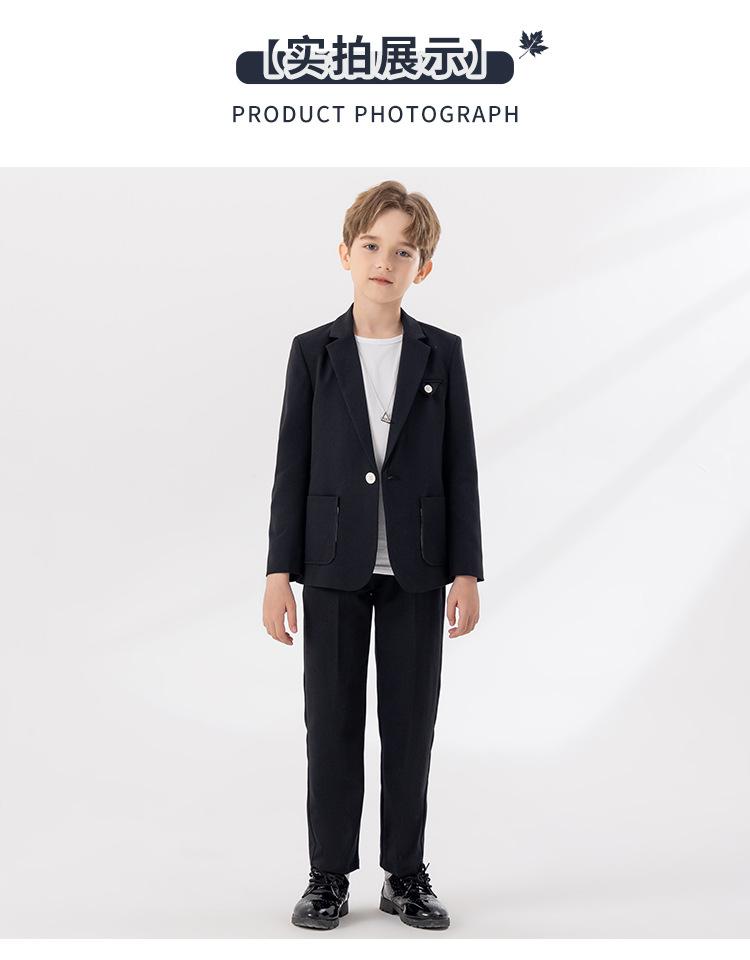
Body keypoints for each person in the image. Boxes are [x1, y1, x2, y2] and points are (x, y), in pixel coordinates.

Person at [262, 180, 484, 931]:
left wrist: (466, 570)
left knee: (410, 728)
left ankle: (405, 875)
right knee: (330, 726)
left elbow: (460, 467)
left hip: (417, 569)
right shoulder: (313, 353)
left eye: (403, 251)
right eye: (371, 246)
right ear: (345, 254)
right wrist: (278, 574)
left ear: (424, 267)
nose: (385, 262)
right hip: (331, 566)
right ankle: (328, 875)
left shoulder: (441, 353)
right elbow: (292, 467)